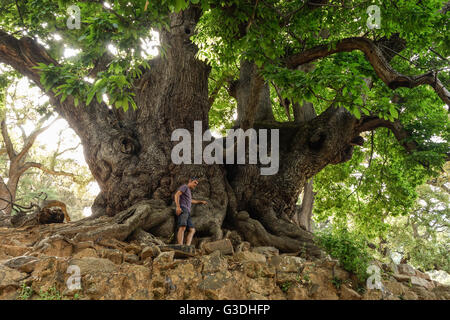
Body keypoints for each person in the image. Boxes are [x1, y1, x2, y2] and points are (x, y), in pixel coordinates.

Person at [174, 177, 207, 246]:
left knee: (192, 230)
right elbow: (177, 194)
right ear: (190, 181)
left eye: (197, 184)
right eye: (195, 182)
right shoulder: (185, 187)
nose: (195, 185)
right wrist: (178, 207)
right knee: (182, 226)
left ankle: (187, 246)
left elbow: (190, 201)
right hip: (183, 208)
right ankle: (180, 245)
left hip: (188, 212)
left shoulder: (188, 191)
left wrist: (200, 202)